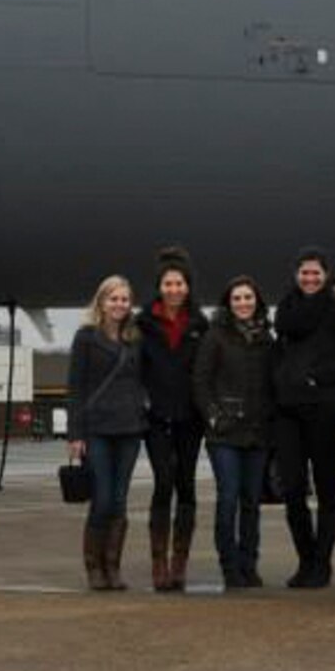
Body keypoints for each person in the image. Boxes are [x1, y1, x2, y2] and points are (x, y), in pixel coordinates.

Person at [272, 245, 335, 589]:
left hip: (323, 408)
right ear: (296, 275)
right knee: (291, 487)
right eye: (304, 272)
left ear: (325, 275)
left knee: (325, 488)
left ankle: (322, 562)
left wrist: (315, 378)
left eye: (315, 273)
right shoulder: (286, 310)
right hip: (288, 409)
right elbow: (280, 351)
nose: (310, 278)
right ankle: (305, 559)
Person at [192, 276, 275, 589]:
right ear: (228, 303)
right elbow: (201, 381)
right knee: (228, 498)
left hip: (257, 433)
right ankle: (229, 566)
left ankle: (249, 563)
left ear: (257, 301)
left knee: (252, 501)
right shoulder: (216, 337)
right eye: (237, 298)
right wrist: (214, 417)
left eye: (248, 298)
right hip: (224, 434)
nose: (243, 303)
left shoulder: (267, 337)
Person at [67, 274, 148, 591]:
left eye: (125, 299)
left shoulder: (135, 337)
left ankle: (113, 567)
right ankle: (94, 567)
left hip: (129, 428)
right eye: (113, 298)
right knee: (101, 500)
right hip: (97, 428)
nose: (119, 304)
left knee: (119, 501)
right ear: (101, 302)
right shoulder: (86, 337)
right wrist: (75, 434)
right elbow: (76, 387)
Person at [138, 246, 209, 592]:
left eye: (179, 284)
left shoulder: (200, 324)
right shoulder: (143, 324)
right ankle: (158, 563)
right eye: (168, 284)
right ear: (159, 286)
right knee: (163, 482)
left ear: (188, 286)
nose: (174, 290)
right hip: (156, 418)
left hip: (190, 419)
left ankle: (179, 562)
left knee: (187, 486)